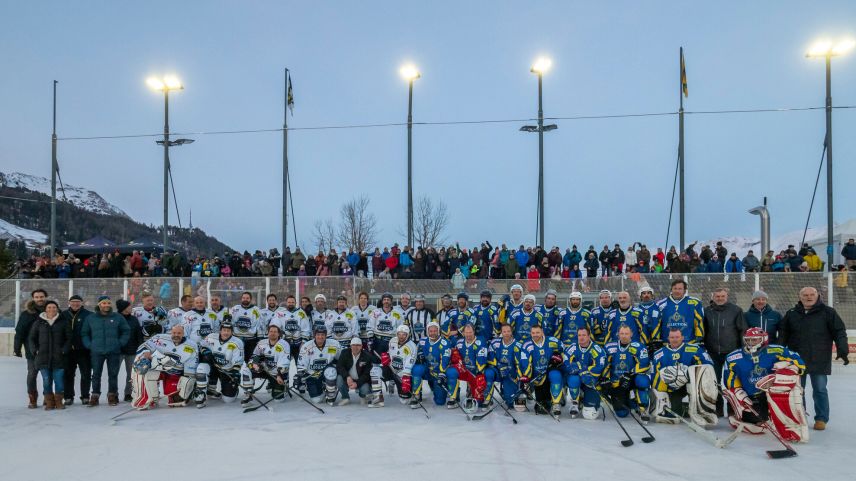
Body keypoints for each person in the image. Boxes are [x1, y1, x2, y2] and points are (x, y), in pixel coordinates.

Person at [779, 286, 849, 430]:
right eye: (805, 295)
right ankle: (800, 416)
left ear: (817, 296)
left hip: (820, 357)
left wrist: (843, 349)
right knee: (798, 390)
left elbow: (839, 331)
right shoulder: (792, 313)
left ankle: (821, 418)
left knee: (820, 389)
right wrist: (778, 353)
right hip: (797, 359)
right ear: (800, 297)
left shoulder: (828, 312)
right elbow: (783, 334)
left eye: (812, 294)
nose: (809, 297)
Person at [723, 328, 808, 441]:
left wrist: (788, 364)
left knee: (784, 411)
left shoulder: (776, 350)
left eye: (754, 340)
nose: (750, 343)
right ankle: (736, 417)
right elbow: (730, 378)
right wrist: (738, 391)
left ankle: (789, 420)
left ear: (764, 339)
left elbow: (799, 362)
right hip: (752, 396)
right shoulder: (733, 357)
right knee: (756, 422)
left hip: (772, 394)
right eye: (748, 340)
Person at [651, 328, 716, 426]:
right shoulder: (659, 354)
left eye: (677, 337)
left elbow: (707, 366)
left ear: (682, 337)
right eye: (672, 337)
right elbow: (656, 376)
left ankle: (702, 410)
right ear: (668, 338)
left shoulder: (694, 349)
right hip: (672, 388)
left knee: (699, 378)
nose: (675, 339)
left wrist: (688, 372)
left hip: (692, 385)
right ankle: (685, 408)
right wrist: (663, 394)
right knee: (675, 412)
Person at [131, 324, 199, 409]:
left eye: (179, 333)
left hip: (175, 373)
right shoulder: (160, 338)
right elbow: (145, 345)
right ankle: (150, 398)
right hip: (157, 369)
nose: (176, 335)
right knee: (144, 369)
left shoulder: (191, 346)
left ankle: (183, 394)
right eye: (174, 333)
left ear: (183, 334)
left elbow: (192, 365)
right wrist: (146, 351)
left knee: (176, 401)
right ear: (171, 332)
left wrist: (188, 383)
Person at [702, 287, 747, 414]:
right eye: (717, 296)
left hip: (731, 352)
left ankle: (733, 409)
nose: (720, 298)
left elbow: (742, 330)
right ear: (713, 297)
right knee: (714, 381)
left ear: (727, 297)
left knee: (732, 382)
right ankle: (718, 408)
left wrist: (742, 349)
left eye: (722, 296)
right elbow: (703, 330)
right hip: (713, 352)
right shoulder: (707, 311)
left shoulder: (736, 310)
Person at [82, 296, 130, 407]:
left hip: (113, 350)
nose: (106, 305)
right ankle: (95, 396)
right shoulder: (91, 318)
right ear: (99, 305)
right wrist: (90, 345)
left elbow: (126, 331)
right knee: (96, 375)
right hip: (96, 351)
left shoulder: (117, 317)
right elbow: (84, 333)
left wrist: (119, 343)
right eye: (104, 303)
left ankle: (112, 395)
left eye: (108, 303)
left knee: (113, 374)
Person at [28, 300, 70, 411]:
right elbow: (31, 338)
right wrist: (35, 350)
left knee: (59, 381)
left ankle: (59, 402)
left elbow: (69, 338)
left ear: (57, 309)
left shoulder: (63, 322)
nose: (52, 309)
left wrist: (64, 350)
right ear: (45, 309)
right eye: (49, 307)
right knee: (46, 381)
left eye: (54, 307)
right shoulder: (38, 322)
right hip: (43, 357)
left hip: (59, 357)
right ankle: (49, 402)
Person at [603, 325, 651, 420]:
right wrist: (605, 379)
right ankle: (630, 401)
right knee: (622, 413)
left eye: (626, 333)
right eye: (622, 333)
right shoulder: (609, 347)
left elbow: (645, 363)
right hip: (617, 383)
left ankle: (643, 409)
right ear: (618, 334)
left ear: (631, 334)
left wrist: (630, 374)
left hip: (632, 380)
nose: (624, 336)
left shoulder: (639, 347)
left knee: (643, 380)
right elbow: (605, 365)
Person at [519, 324, 564, 416]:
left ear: (542, 332)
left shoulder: (552, 340)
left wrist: (558, 355)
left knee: (555, 375)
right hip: (536, 375)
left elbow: (563, 348)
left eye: (538, 332)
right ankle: (543, 398)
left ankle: (556, 402)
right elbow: (525, 362)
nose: (535, 335)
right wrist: (526, 377)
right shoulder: (527, 345)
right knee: (542, 404)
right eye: (533, 333)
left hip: (549, 371)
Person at [196, 320, 245, 405]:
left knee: (228, 400)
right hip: (214, 367)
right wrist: (205, 351)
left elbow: (238, 361)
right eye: (224, 330)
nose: (226, 333)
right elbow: (200, 345)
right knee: (202, 366)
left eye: (228, 331)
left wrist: (235, 373)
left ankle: (232, 390)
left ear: (232, 332)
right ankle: (203, 392)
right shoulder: (211, 337)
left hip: (227, 370)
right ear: (220, 331)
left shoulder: (237, 342)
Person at [240, 324, 291, 405]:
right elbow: (254, 357)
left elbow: (284, 361)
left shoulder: (284, 344)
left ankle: (284, 385)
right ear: (268, 333)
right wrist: (254, 364)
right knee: (246, 369)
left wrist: (279, 374)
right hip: (264, 370)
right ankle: (248, 394)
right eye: (271, 331)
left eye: (275, 332)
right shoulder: (261, 343)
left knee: (278, 399)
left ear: (279, 334)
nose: (272, 333)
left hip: (277, 374)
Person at [14, 288, 47, 408]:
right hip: (32, 350)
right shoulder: (27, 314)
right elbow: (19, 333)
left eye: (41, 296)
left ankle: (47, 397)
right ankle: (32, 398)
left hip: (49, 349)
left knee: (47, 375)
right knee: (32, 374)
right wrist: (17, 349)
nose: (39, 299)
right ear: (33, 298)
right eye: (37, 297)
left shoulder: (52, 310)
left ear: (45, 297)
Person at [563, 326, 607, 419]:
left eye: (584, 335)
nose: (581, 337)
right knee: (573, 379)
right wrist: (579, 369)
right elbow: (566, 363)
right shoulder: (573, 348)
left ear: (589, 336)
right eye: (579, 335)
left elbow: (600, 366)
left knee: (590, 415)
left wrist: (585, 371)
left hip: (591, 380)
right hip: (578, 378)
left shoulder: (596, 349)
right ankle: (575, 402)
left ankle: (584, 398)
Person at [370, 325, 417, 407]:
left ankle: (414, 394)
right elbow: (390, 353)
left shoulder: (412, 346)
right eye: (399, 334)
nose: (401, 336)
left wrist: (406, 377)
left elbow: (410, 363)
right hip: (391, 369)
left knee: (404, 401)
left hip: (402, 374)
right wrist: (386, 357)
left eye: (404, 334)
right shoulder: (392, 341)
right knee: (375, 371)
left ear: (408, 335)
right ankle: (378, 398)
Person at [446, 324, 490, 410]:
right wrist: (455, 356)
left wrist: (479, 373)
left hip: (476, 373)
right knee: (451, 371)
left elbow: (482, 359)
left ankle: (479, 394)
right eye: (466, 332)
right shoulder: (459, 342)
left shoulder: (481, 341)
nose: (468, 334)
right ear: (463, 333)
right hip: (464, 370)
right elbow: (454, 355)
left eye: (470, 332)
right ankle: (453, 397)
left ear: (474, 332)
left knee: (478, 401)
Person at [294, 326, 341, 405]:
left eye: (323, 334)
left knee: (331, 371)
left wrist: (336, 365)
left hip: (326, 373)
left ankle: (331, 393)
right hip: (312, 375)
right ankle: (322, 388)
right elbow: (302, 365)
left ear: (326, 335)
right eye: (318, 334)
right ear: (314, 335)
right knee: (317, 400)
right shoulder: (306, 346)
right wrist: (300, 376)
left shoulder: (334, 344)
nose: (320, 337)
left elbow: (341, 358)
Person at [411, 321, 453, 407]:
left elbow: (445, 359)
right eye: (430, 331)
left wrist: (442, 373)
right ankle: (417, 395)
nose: (433, 333)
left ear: (438, 331)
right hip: (428, 370)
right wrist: (420, 356)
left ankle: (446, 389)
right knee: (416, 369)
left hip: (439, 373)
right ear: (427, 331)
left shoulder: (444, 343)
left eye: (435, 331)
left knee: (440, 402)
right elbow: (416, 352)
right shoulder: (423, 341)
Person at [484, 323, 526, 409]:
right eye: (504, 331)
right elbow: (490, 357)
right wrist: (499, 365)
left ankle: (508, 392)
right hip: (497, 370)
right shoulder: (495, 342)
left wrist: (517, 378)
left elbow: (520, 364)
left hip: (510, 374)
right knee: (488, 373)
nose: (506, 333)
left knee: (510, 402)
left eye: (508, 331)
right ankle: (487, 399)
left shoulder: (518, 345)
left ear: (511, 332)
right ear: (501, 332)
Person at [61, 294, 92, 406]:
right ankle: (68, 396)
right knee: (68, 374)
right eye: (73, 301)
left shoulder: (88, 315)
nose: (75, 304)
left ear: (82, 303)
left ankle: (85, 396)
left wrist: (89, 345)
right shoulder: (63, 314)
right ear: (69, 303)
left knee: (86, 374)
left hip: (83, 350)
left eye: (77, 301)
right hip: (68, 350)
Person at [653, 279, 704, 346]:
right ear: (671, 289)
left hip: (689, 342)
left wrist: (699, 337)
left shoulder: (695, 303)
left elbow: (699, 321)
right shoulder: (660, 304)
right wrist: (656, 338)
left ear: (685, 290)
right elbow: (656, 323)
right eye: (675, 288)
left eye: (680, 289)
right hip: (668, 343)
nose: (677, 291)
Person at [117, 299, 144, 402]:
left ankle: (128, 393)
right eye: (129, 307)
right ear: (123, 308)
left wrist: (140, 347)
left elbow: (138, 334)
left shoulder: (133, 319)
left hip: (132, 351)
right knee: (114, 373)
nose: (131, 308)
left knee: (131, 374)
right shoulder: (116, 318)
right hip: (118, 351)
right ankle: (113, 394)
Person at [336, 337, 376, 405]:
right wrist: (347, 376)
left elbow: (366, 374)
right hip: (348, 378)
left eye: (358, 345)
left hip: (360, 379)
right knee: (339, 379)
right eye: (353, 345)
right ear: (350, 346)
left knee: (365, 389)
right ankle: (345, 397)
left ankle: (362, 396)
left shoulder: (367, 356)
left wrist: (357, 383)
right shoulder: (345, 353)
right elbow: (340, 366)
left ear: (361, 346)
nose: (355, 347)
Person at [270, 294, 310, 360]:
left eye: (292, 302)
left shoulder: (301, 313)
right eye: (289, 302)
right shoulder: (280, 313)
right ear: (286, 303)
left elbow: (305, 329)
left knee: (300, 364)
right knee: (284, 364)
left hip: (298, 343)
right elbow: (274, 326)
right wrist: (279, 337)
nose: (290, 304)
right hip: (285, 343)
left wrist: (303, 342)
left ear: (295, 303)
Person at [230, 292, 263, 362]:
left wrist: (260, 338)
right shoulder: (235, 308)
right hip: (237, 338)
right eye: (244, 298)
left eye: (247, 298)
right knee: (237, 360)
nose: (245, 299)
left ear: (251, 299)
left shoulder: (256, 310)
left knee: (250, 361)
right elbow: (230, 322)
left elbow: (259, 324)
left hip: (251, 339)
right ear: (241, 299)